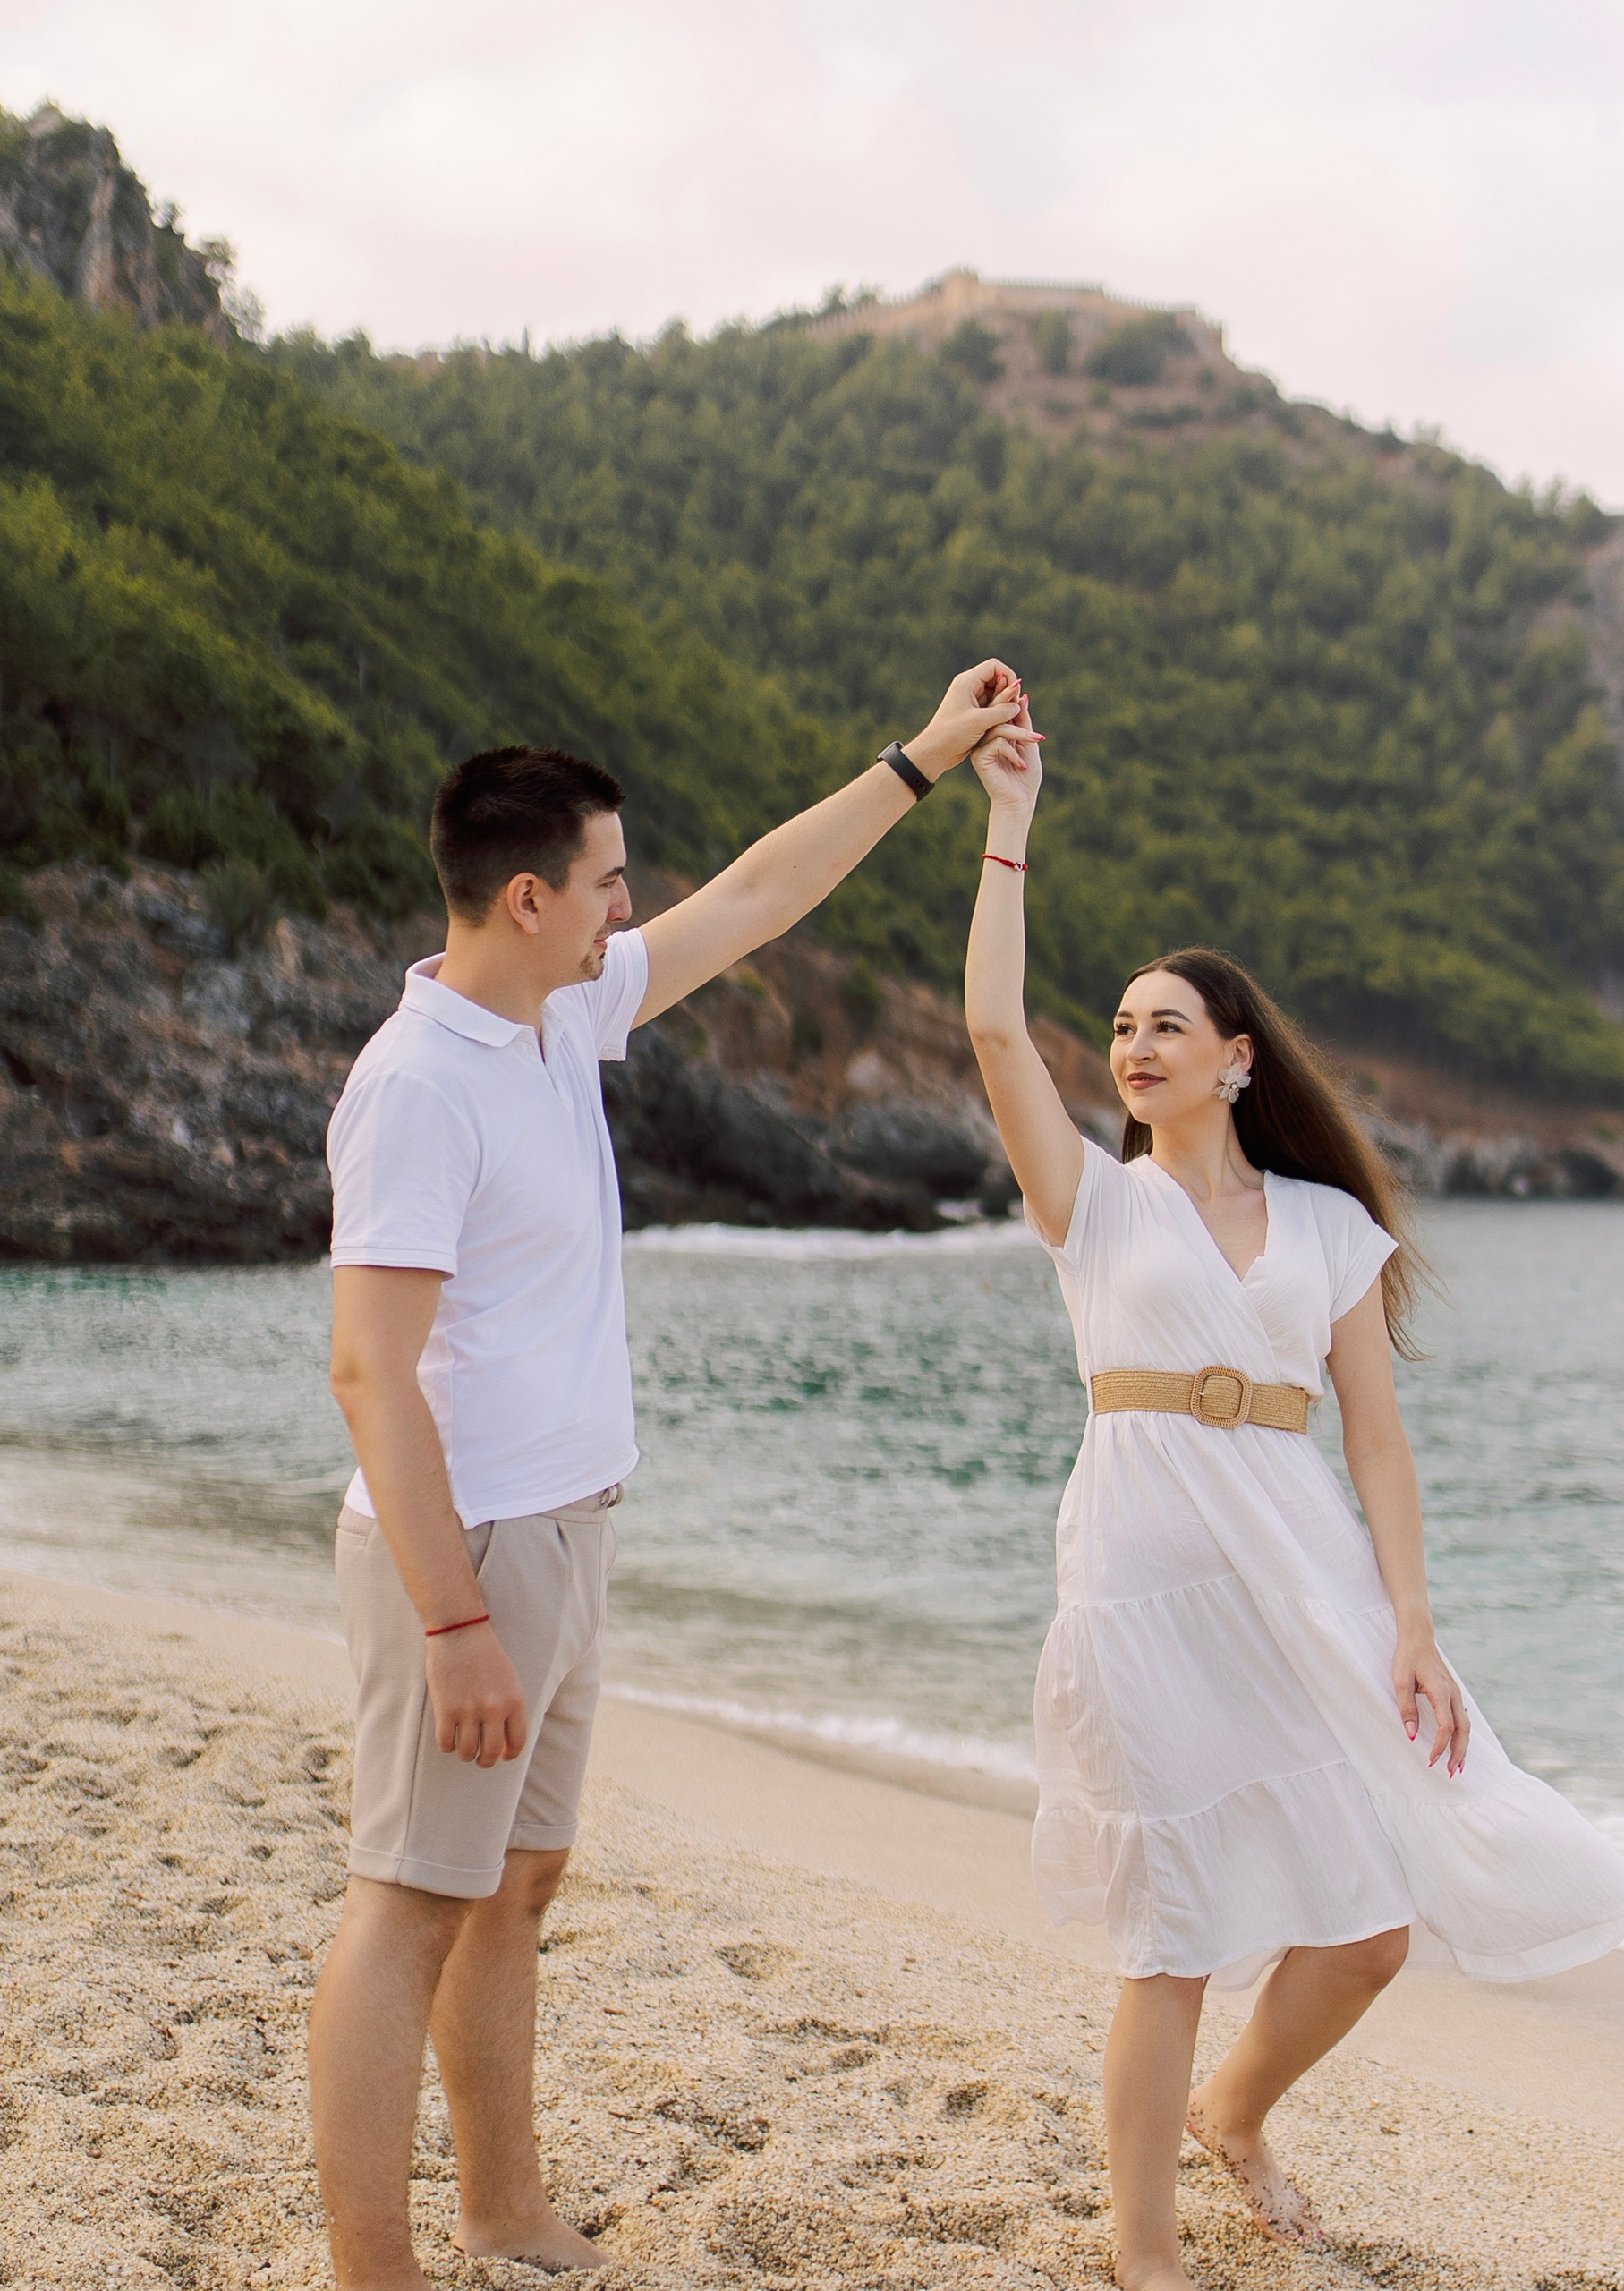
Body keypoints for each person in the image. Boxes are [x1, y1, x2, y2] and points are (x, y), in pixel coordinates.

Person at [310, 664, 1033, 2290]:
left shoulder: (560, 1016)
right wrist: (449, 1622)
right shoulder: (418, 1084)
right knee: (410, 1899)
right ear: (524, 894)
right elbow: (368, 1369)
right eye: (607, 879)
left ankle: (498, 2207)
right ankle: (375, 2266)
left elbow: (764, 893)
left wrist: (924, 759)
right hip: (469, 1553)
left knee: (516, 1883)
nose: (629, 904)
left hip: (566, 1529)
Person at [961, 691, 1624, 2290]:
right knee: (1172, 1934)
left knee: (1369, 1925)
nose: (1132, 1049)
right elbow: (998, 1034)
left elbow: (1379, 1443)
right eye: (1122, 1030)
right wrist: (1008, 829)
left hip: (1305, 1567)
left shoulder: (1334, 1229)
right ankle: (1145, 2258)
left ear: (1235, 1061)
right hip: (1140, 1568)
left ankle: (1234, 2114)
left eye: (1164, 1029)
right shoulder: (1093, 1206)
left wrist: (1413, 1624)